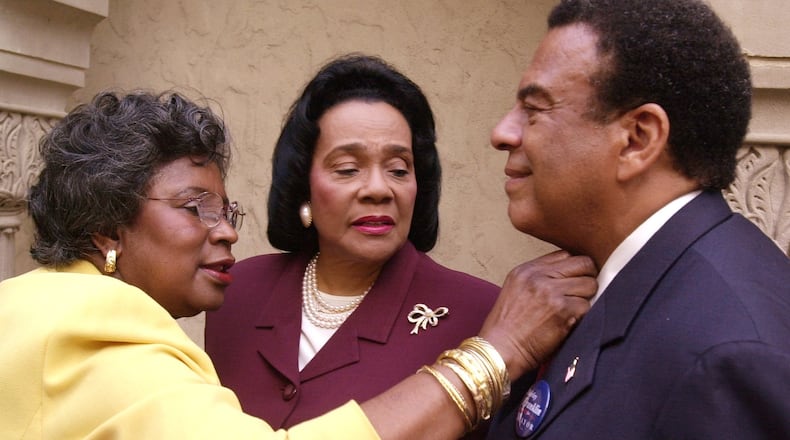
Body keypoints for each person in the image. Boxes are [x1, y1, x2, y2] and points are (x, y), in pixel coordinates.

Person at [0, 90, 597, 439]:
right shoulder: (119, 319)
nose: (226, 230)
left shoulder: (480, 307)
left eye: (399, 168)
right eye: (195, 208)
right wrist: (488, 360)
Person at [485, 1, 790, 439]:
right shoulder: (621, 285)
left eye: (534, 109)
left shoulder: (728, 354)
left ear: (637, 139)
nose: (502, 133)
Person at [205, 54, 498, 437]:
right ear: (303, 185)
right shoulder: (238, 291)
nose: (378, 189)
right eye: (347, 169)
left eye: (398, 169)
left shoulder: (480, 314)